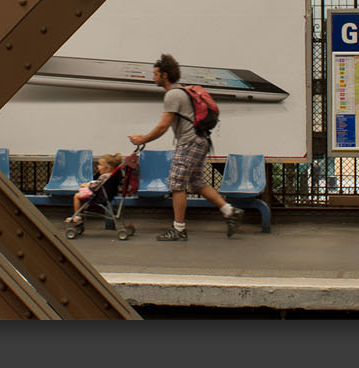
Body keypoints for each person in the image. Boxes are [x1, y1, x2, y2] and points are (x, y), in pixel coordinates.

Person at [127, 53, 242, 241]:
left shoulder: (172, 95)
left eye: (155, 74)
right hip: (200, 140)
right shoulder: (182, 92)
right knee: (196, 183)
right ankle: (230, 212)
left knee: (176, 184)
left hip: (189, 142)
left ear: (165, 75)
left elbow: (163, 126)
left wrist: (143, 139)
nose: (153, 77)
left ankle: (179, 229)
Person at [65, 153, 126, 227]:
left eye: (100, 165)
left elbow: (96, 186)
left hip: (99, 196)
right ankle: (79, 216)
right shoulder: (113, 176)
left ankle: (77, 216)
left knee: (77, 196)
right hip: (108, 195)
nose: (98, 167)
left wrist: (86, 185)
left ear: (108, 168)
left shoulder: (104, 176)